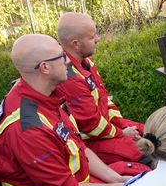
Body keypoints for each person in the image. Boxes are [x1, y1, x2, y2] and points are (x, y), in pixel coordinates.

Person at [0, 34, 148, 186]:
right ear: (45, 68)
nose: (67, 60)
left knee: (144, 180)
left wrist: (116, 179)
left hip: (71, 185)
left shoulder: (45, 96)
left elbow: (78, 147)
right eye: (60, 56)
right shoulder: (29, 129)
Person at [55, 12, 145, 165]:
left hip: (105, 130)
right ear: (75, 44)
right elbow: (91, 126)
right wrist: (122, 133)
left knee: (151, 131)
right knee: (143, 150)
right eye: (91, 37)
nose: (97, 39)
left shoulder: (86, 63)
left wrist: (120, 123)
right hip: (90, 142)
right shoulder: (70, 79)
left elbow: (103, 99)